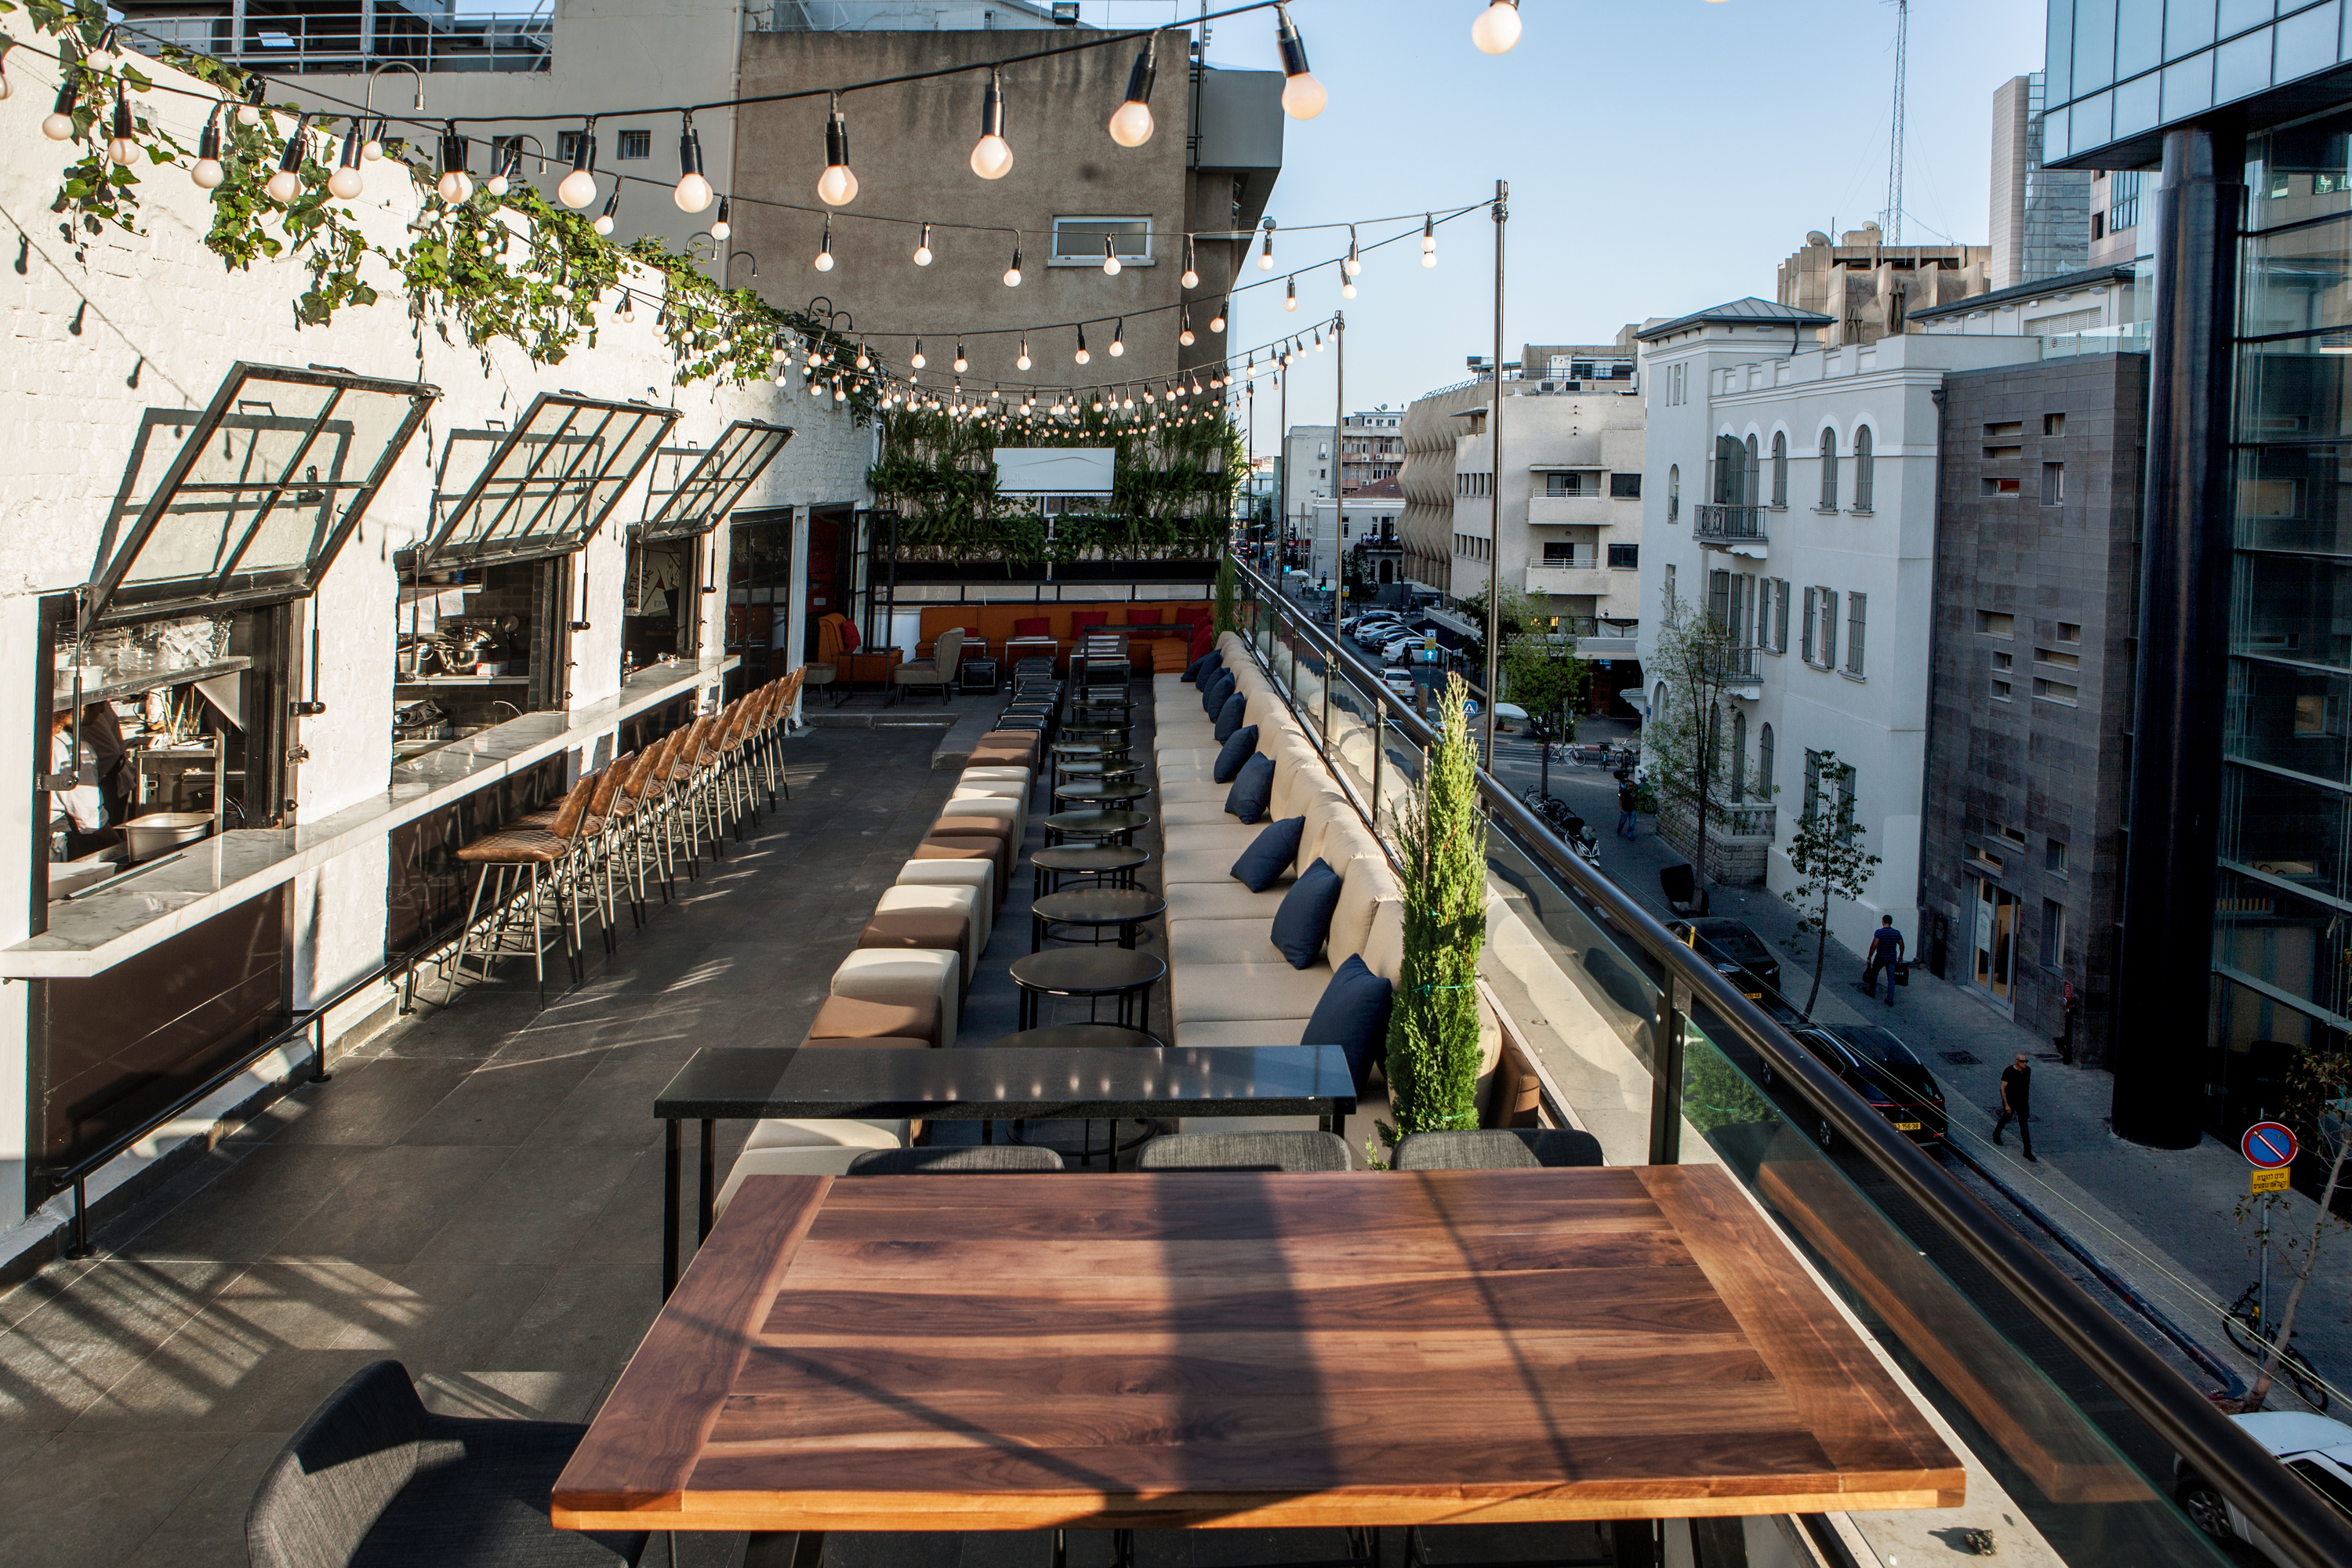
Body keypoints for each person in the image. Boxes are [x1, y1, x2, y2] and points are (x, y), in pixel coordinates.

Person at [47, 708, 110, 859]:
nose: (101, 712)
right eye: (99, 705)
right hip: (50, 836)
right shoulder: (74, 749)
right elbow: (88, 815)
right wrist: (118, 843)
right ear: (80, 708)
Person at [1994, 1051, 2036, 1160]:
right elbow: (2002, 1088)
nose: (2025, 1064)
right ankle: (1996, 1134)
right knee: (2006, 1117)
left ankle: (2027, 1151)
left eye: (2026, 1061)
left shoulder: (2027, 1071)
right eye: (2022, 1062)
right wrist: (2006, 1104)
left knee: (2024, 1127)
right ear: (2016, 1061)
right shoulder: (2009, 1071)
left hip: (2023, 1103)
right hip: (2011, 1101)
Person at [1860, 914, 1905, 1005]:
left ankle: (1871, 991)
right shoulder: (1897, 933)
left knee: (1874, 973)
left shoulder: (1879, 933)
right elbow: (1902, 945)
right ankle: (1890, 999)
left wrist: (1869, 957)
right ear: (1891, 922)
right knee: (1891, 979)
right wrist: (1900, 955)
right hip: (1892, 959)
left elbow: (1874, 946)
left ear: (1883, 921)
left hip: (1880, 957)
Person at [1616, 772, 1639, 840]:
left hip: (1633, 809)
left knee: (1632, 823)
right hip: (1625, 809)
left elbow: (1638, 799)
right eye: (1630, 786)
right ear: (1628, 786)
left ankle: (1629, 835)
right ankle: (1619, 829)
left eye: (1632, 786)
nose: (1632, 787)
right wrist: (1621, 808)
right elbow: (1621, 801)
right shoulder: (1625, 792)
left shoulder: (1635, 791)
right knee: (1622, 822)